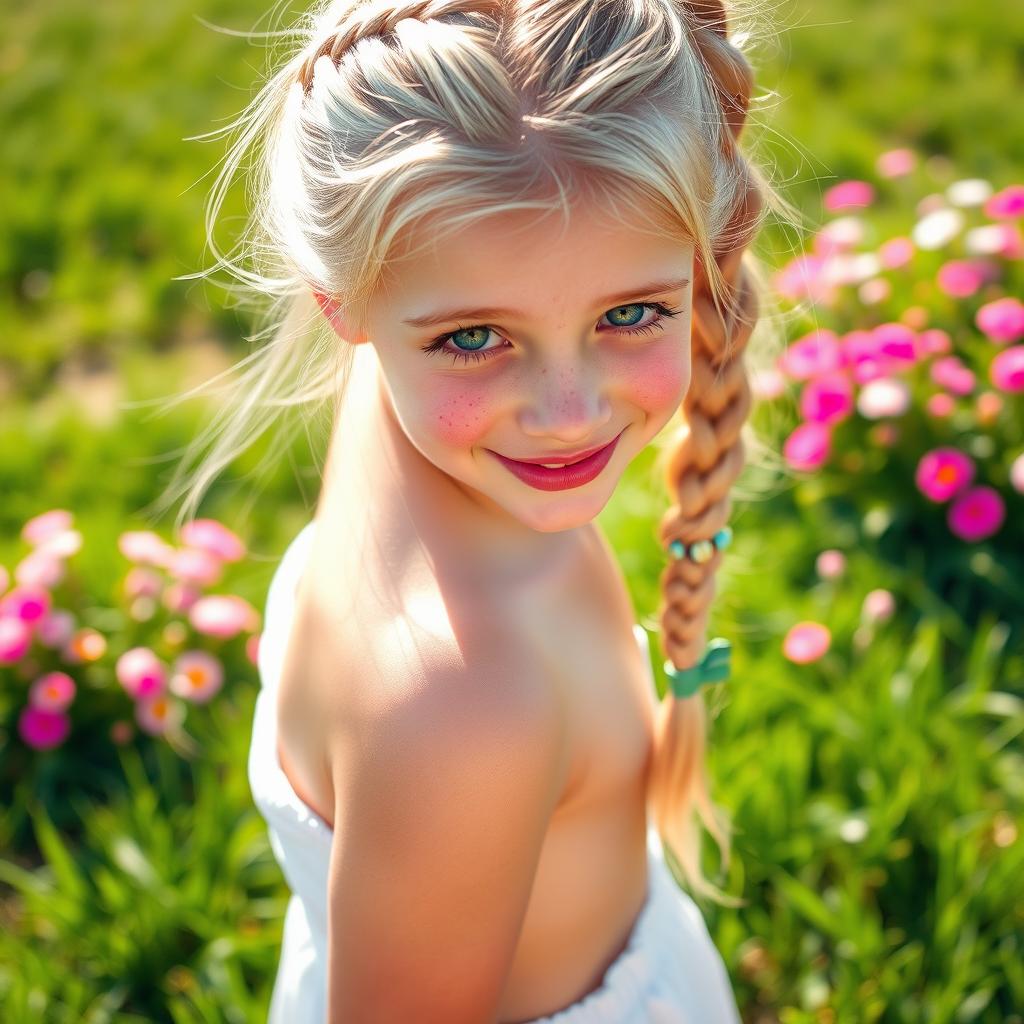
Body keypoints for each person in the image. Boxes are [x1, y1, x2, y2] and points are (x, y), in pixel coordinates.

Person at [156, 0, 796, 1019]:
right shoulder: (466, 716)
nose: (567, 413)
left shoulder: (400, 382)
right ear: (343, 303)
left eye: (629, 314)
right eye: (474, 339)